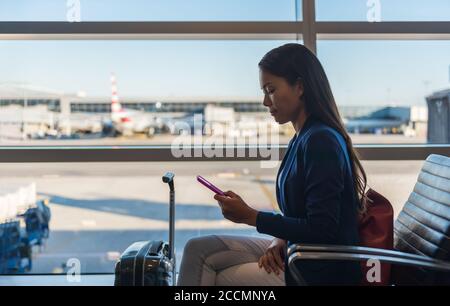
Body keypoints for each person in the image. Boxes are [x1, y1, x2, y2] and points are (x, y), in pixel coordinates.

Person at [177, 43, 368, 286]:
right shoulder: (303, 137)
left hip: (317, 271)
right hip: (297, 251)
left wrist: (252, 217)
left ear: (300, 87)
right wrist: (279, 238)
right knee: (198, 249)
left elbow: (322, 229)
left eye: (271, 90)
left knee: (212, 274)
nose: (265, 101)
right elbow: (301, 215)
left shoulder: (321, 141)